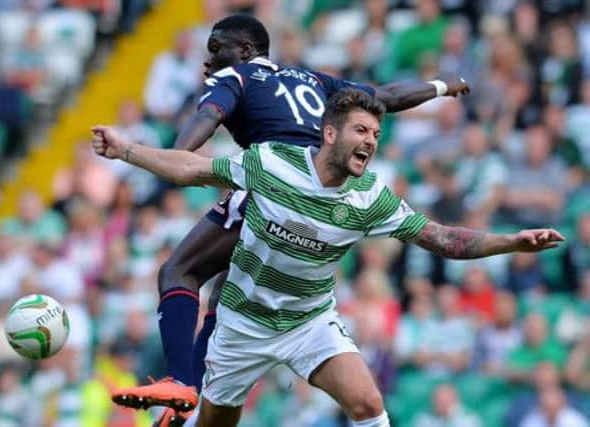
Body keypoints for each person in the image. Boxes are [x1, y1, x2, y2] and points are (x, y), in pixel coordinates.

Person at [92, 88, 564, 427]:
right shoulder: (273, 163)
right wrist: (128, 150)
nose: (371, 141)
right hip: (241, 324)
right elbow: (193, 169)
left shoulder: (371, 197)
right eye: (361, 129)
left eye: (377, 134)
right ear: (330, 132)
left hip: (307, 322)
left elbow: (441, 238)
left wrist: (511, 241)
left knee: (367, 404)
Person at [109, 13, 471, 427]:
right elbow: (385, 96)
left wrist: (176, 157)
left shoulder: (236, 78)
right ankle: (193, 391)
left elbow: (195, 136)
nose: (209, 62)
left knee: (179, 271)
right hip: (321, 190)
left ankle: (179, 382)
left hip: (275, 185)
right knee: (227, 286)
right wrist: (441, 86)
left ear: (245, 51)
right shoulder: (312, 79)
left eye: (216, 50)